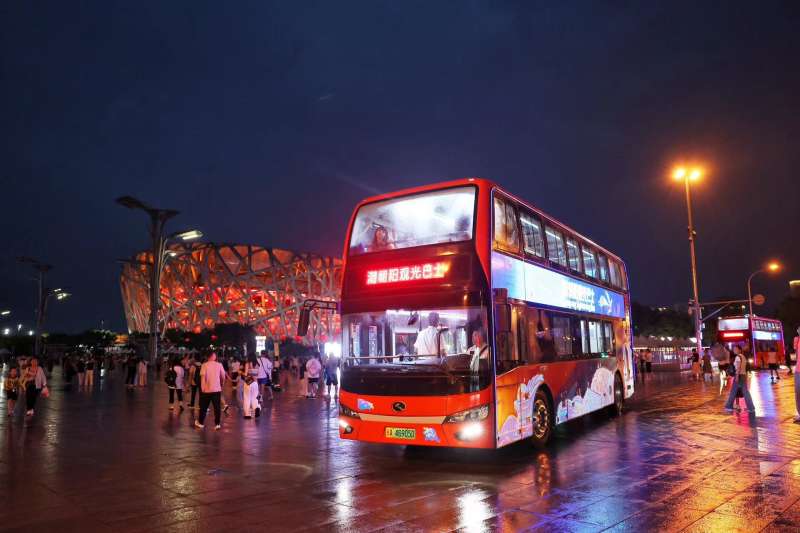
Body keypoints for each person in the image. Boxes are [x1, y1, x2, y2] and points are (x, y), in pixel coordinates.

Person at [195, 352, 227, 430]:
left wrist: (202, 389)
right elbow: (223, 376)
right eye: (215, 355)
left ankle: (201, 423)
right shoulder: (219, 365)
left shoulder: (204, 365)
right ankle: (217, 424)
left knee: (204, 407)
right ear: (213, 356)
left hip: (206, 390)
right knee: (217, 407)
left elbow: (202, 379)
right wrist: (222, 384)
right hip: (216, 389)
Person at [724, 346, 755, 413]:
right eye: (734, 349)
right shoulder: (743, 356)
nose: (734, 350)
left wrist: (737, 376)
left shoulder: (738, 357)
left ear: (739, 350)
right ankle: (751, 408)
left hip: (739, 375)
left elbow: (738, 367)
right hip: (743, 375)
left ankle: (729, 406)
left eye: (736, 349)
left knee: (733, 392)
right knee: (746, 392)